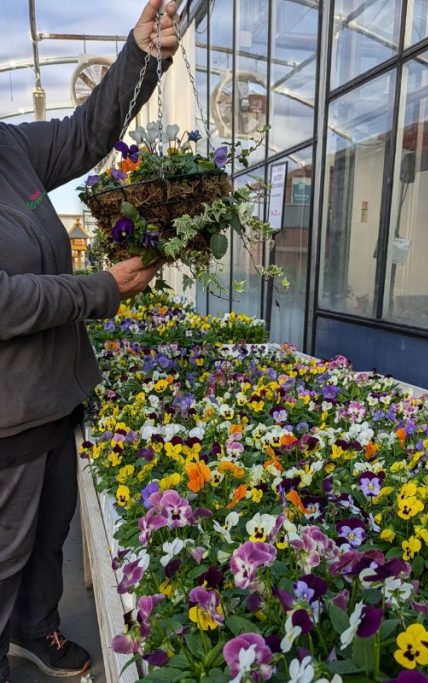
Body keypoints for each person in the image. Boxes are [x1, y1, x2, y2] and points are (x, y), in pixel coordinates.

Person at [0, 1, 180, 679]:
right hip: (8, 418)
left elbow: (83, 135)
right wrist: (100, 290)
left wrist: (139, 53)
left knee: (48, 540)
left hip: (55, 397)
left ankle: (35, 628)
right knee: (3, 555)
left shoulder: (9, 148)